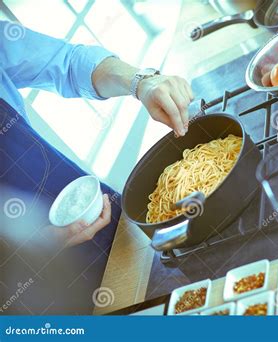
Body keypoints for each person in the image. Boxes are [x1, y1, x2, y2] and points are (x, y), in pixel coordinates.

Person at [0, 20, 193, 314]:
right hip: (26, 295)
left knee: (191, 298)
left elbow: (67, 62)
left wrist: (141, 82)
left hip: (107, 222)